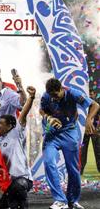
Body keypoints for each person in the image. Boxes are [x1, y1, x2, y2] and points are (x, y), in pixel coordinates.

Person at [40, 78, 100, 209]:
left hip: (69, 133)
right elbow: (42, 110)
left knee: (73, 168)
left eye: (56, 95)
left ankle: (73, 200)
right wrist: (49, 117)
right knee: (49, 162)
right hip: (52, 134)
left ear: (61, 89)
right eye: (51, 96)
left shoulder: (73, 93)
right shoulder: (46, 95)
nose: (54, 99)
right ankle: (60, 200)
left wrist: (89, 119)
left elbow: (95, 105)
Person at [0, 86, 36, 209]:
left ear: (10, 126)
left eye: (1, 124)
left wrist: (31, 97)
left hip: (22, 178)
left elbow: (24, 113)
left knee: (17, 188)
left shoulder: (16, 134)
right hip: (6, 180)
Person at [80, 90, 100, 175]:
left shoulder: (97, 104)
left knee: (98, 151)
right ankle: (80, 170)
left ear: (95, 94)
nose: (91, 96)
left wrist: (98, 128)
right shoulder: (84, 105)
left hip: (95, 131)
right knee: (82, 152)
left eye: (92, 94)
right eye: (89, 94)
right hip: (85, 131)